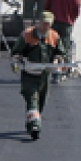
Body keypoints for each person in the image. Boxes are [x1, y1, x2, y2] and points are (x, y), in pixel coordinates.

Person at [11, 11, 66, 140]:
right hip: (29, 74)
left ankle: (32, 122)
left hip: (44, 75)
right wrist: (17, 61)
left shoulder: (54, 36)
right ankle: (35, 126)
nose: (45, 26)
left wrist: (58, 61)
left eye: (48, 24)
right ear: (38, 22)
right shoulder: (27, 35)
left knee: (41, 102)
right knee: (32, 100)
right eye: (44, 23)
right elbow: (16, 52)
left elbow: (60, 53)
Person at [44, 0, 81, 83]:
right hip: (66, 24)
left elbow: (46, 7)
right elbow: (76, 10)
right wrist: (71, 20)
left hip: (53, 23)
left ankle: (52, 71)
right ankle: (61, 73)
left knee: (53, 46)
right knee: (63, 48)